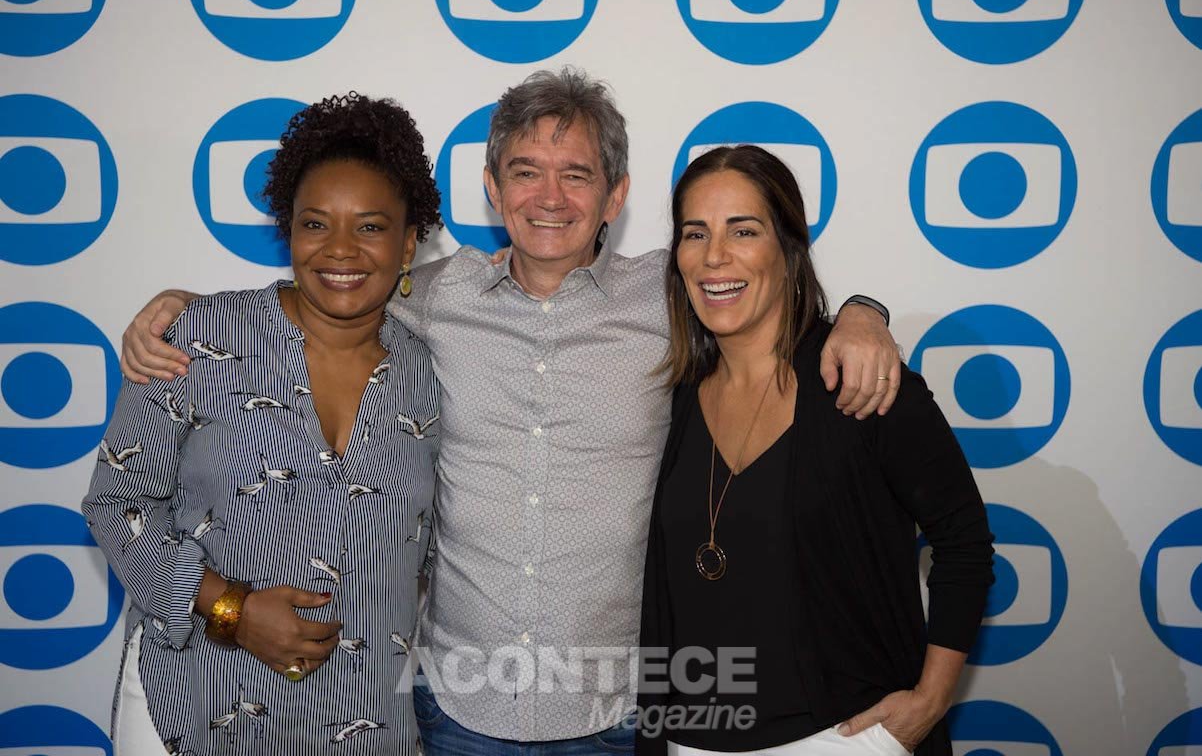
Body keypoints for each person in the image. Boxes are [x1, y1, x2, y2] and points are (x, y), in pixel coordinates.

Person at [120, 68, 902, 755]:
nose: (549, 198)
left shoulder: (669, 296)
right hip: (457, 710)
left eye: (576, 175)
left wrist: (864, 314)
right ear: (494, 189)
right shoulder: (432, 296)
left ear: (616, 195)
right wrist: (189, 310)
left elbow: (763, 299)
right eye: (526, 172)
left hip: (613, 713)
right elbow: (333, 284)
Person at [82, 93, 441, 755]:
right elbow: (116, 503)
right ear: (289, 231)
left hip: (361, 720)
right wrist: (232, 610)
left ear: (409, 242)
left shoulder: (430, 374)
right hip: (194, 700)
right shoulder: (200, 337)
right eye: (315, 224)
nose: (340, 249)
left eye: (369, 226)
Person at [636, 146, 994, 756]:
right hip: (692, 737)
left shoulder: (862, 385)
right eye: (695, 233)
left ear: (789, 248)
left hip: (842, 737)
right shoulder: (674, 398)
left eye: (743, 230)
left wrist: (929, 704)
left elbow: (964, 543)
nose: (714, 256)